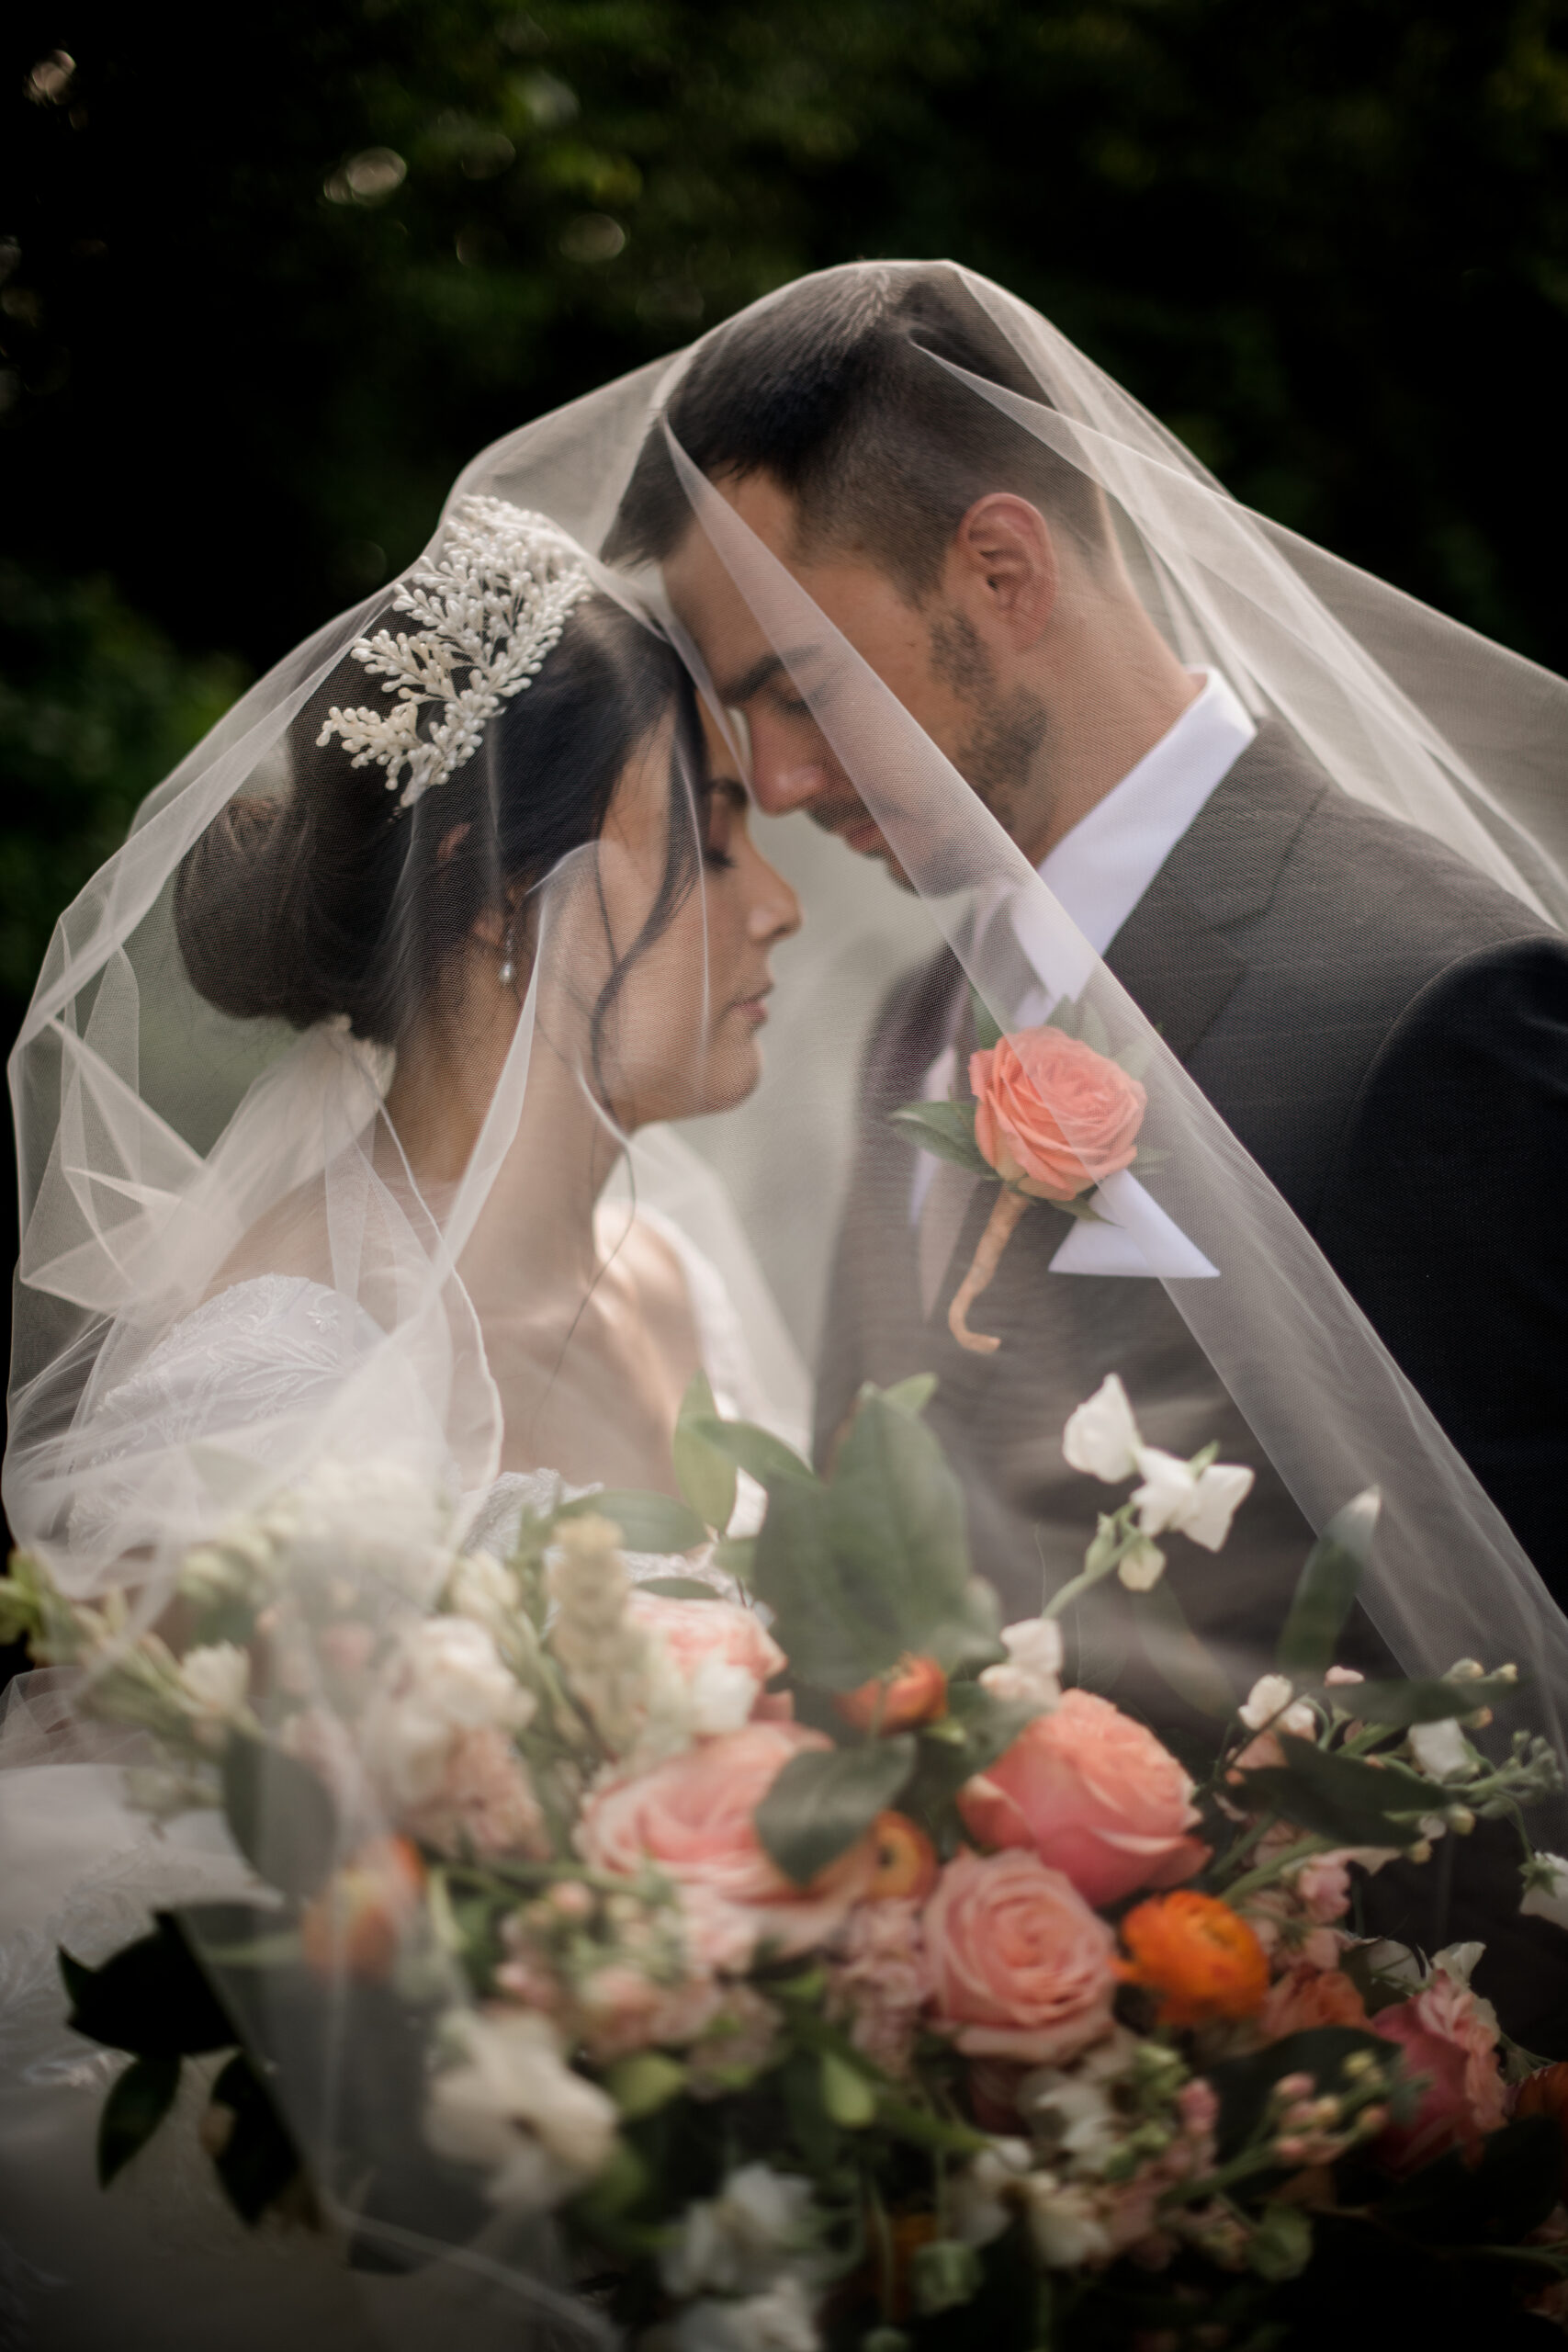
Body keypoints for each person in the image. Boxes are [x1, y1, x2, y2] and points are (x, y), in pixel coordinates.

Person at [608, 262, 1568, 1626]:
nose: (774, 785)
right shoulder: (921, 1018)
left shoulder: (1431, 1011)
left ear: (1005, 573)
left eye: (805, 692)